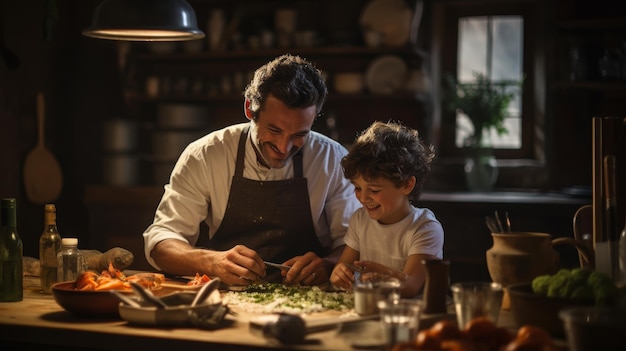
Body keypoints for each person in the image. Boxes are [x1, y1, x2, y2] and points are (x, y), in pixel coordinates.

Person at [143, 54, 360, 286]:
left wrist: (328, 264)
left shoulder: (332, 159)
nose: (284, 147)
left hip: (310, 298)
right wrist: (211, 262)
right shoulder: (206, 155)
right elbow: (161, 243)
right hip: (227, 296)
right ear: (249, 109)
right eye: (274, 130)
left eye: (299, 135)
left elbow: (355, 243)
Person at [330, 121, 444, 298]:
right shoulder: (360, 220)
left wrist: (383, 276)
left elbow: (410, 287)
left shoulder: (425, 228)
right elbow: (344, 266)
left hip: (413, 315)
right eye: (358, 188)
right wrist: (340, 273)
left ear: (407, 184)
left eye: (374, 190)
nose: (362, 198)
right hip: (372, 310)